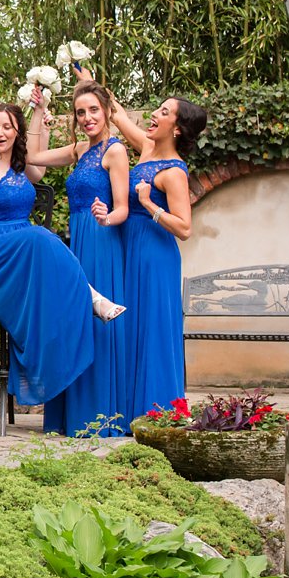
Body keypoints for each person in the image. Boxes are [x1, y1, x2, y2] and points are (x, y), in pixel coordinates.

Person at [0, 103, 126, 415]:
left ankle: (63, 348)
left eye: (7, 126)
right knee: (42, 236)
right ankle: (91, 298)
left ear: (17, 132)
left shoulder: (24, 168)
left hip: (24, 251)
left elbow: (39, 161)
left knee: (47, 266)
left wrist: (41, 113)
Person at [25, 81, 130, 437]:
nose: (86, 118)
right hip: (78, 239)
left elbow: (123, 209)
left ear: (107, 111)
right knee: (75, 318)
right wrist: (38, 112)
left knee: (96, 325)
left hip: (102, 239)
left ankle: (98, 413)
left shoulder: (115, 151)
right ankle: (71, 413)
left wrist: (106, 216)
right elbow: (32, 157)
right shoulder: (80, 150)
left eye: (93, 111)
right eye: (80, 112)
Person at [107, 94, 207, 422]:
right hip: (130, 249)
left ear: (176, 129)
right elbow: (119, 116)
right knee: (133, 327)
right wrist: (89, 81)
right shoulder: (147, 149)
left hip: (155, 255)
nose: (154, 114)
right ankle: (131, 411)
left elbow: (185, 228)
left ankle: (158, 412)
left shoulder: (174, 172)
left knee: (153, 329)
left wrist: (150, 204)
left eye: (163, 112)